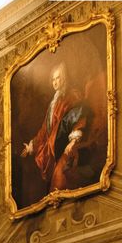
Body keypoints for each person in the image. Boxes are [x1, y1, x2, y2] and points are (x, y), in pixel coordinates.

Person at [21, 62, 87, 193]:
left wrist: (74, 140)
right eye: (53, 79)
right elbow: (45, 129)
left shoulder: (72, 96)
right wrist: (32, 146)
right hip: (53, 148)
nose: (55, 82)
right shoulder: (53, 103)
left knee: (60, 180)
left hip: (67, 146)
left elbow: (78, 116)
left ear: (64, 79)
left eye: (58, 78)